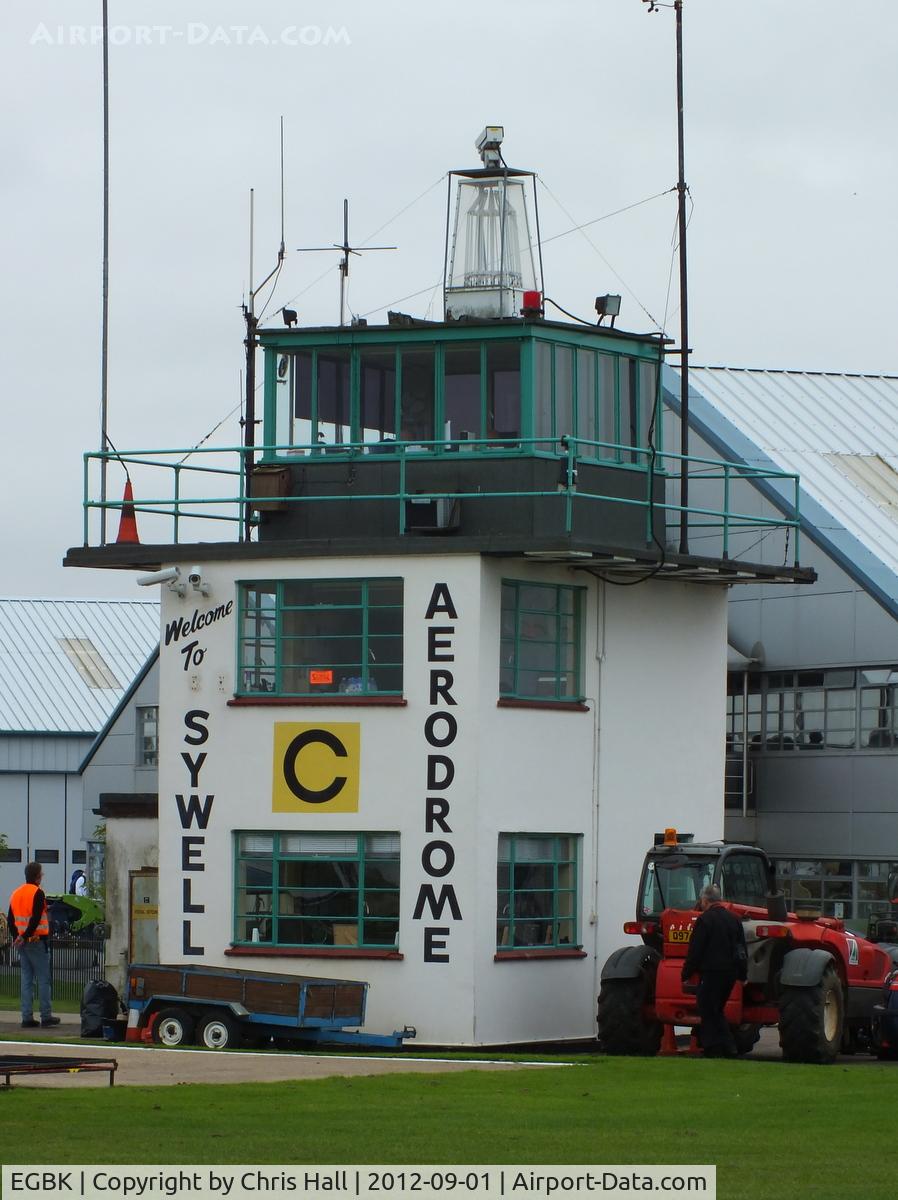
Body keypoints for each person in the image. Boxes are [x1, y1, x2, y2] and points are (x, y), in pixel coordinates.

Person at [681, 883, 747, 1058]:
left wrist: (685, 973)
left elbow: (696, 950)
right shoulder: (734, 919)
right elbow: (741, 950)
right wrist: (743, 974)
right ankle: (725, 1047)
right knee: (716, 1009)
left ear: (704, 899)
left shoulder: (705, 920)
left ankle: (716, 1047)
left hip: (712, 972)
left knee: (707, 1009)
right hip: (730, 973)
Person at [7, 862, 61, 1029]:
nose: (42, 876)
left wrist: (17, 937)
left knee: (26, 980)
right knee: (44, 979)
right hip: (37, 941)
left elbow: (10, 920)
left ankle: (27, 1017)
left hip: (22, 944)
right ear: (37, 876)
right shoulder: (38, 893)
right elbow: (36, 918)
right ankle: (46, 1015)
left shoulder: (16, 893)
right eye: (41, 874)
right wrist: (25, 936)